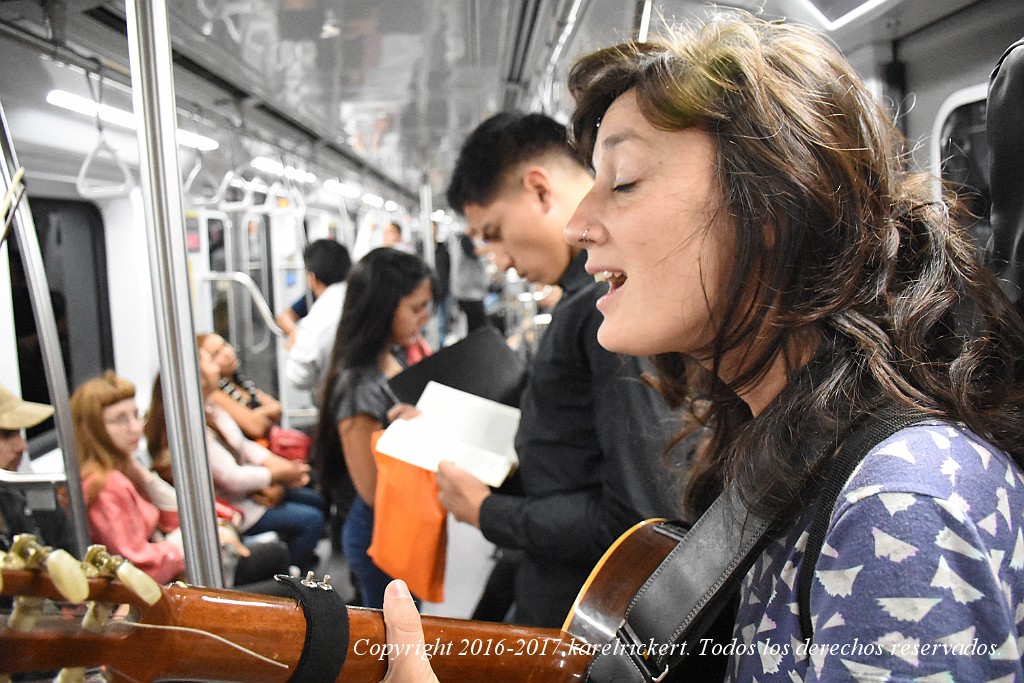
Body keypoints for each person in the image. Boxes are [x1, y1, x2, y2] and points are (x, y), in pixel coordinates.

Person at [382, 10, 1024, 681]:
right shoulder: (770, 446)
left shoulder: (902, 502)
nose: (579, 224)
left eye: (623, 181)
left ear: (770, 208)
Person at [431, 111, 683, 628]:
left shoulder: (605, 312)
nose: (498, 261)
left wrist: (487, 512)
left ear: (540, 190)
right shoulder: (583, 302)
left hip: (589, 611)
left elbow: (640, 518)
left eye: (494, 233)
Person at [315, 247, 435, 609]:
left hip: (402, 524)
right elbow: (371, 489)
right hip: (379, 533)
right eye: (416, 308)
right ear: (383, 309)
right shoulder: (358, 386)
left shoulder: (388, 360)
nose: (424, 319)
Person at [148, 350, 325, 575]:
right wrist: (277, 474)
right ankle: (295, 579)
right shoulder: (191, 428)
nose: (218, 365)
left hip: (246, 495)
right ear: (199, 378)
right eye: (212, 360)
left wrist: (281, 466)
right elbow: (231, 479)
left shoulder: (211, 407)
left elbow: (242, 445)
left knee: (315, 501)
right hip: (234, 506)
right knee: (311, 520)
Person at [0, 386, 72, 552]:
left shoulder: (28, 493)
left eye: (19, 433)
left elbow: (69, 552)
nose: (21, 446)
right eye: (6, 434)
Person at [285, 239, 353, 394]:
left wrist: (295, 345)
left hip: (341, 400)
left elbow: (298, 377)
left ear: (312, 278)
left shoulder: (319, 316)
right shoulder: (362, 296)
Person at [199, 333, 282, 441]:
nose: (227, 353)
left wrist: (258, 414)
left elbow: (277, 407)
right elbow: (256, 427)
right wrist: (263, 414)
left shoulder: (240, 382)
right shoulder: (215, 393)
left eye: (224, 344)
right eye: (216, 354)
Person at [448, 227, 489, 333]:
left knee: (476, 326)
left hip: (471, 292)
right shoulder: (464, 241)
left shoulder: (468, 241)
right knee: (477, 328)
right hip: (468, 294)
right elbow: (476, 252)